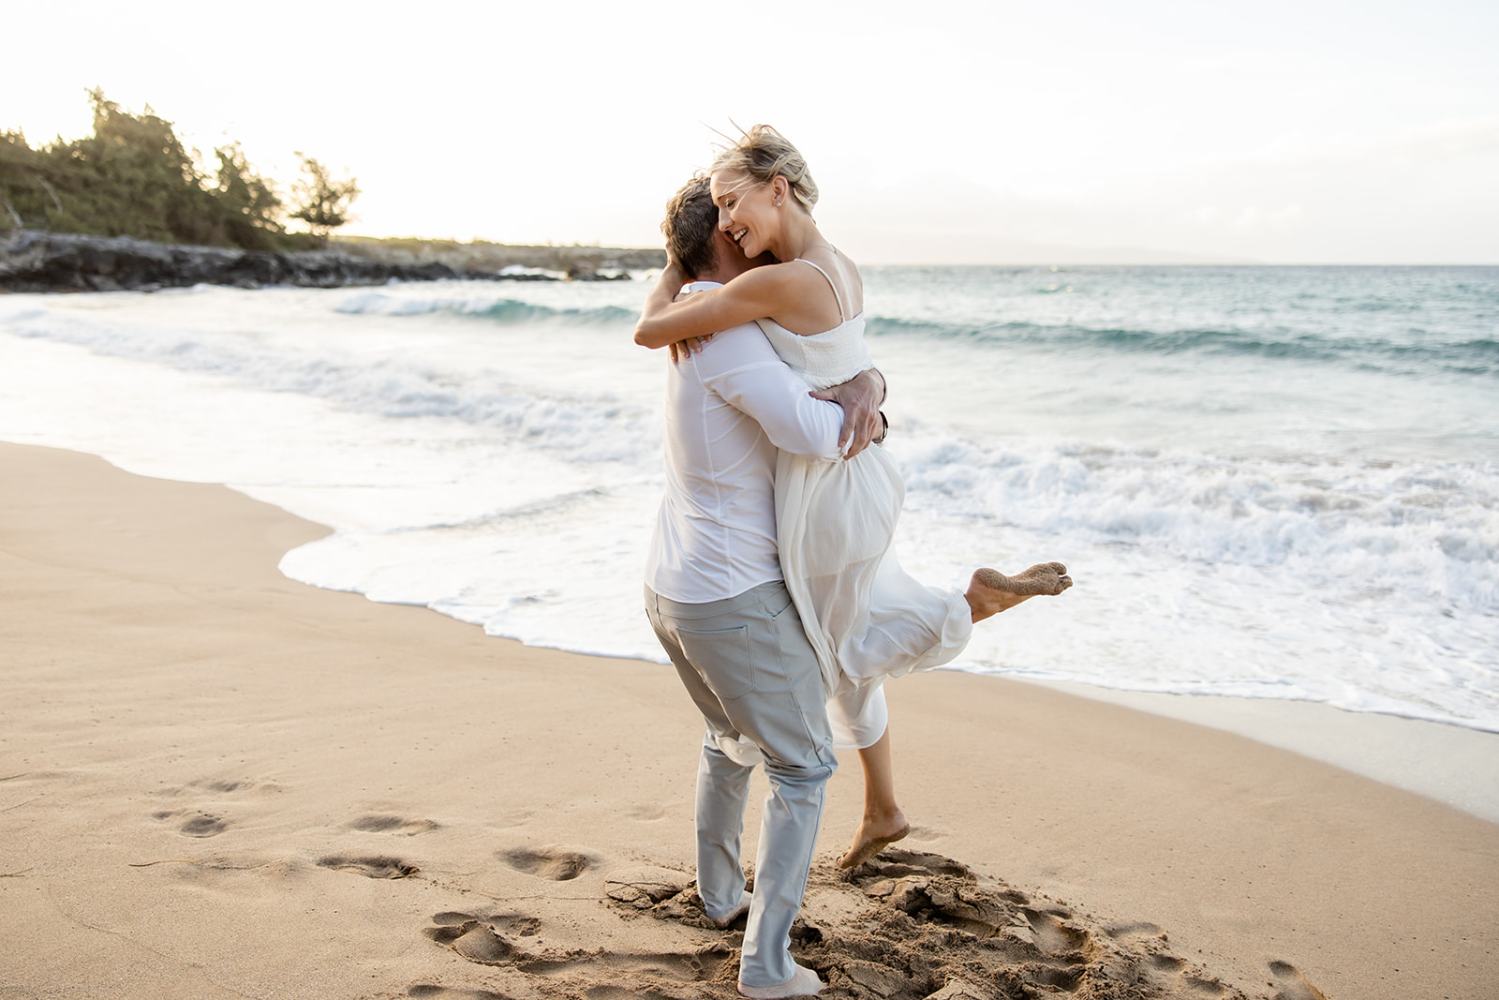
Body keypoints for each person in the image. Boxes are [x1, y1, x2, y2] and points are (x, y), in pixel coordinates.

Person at [636, 126, 1073, 875]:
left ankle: (964, 611)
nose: (731, 221)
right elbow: (853, 364)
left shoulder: (763, 286)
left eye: (733, 201)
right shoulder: (839, 267)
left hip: (824, 490)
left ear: (778, 187)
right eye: (719, 211)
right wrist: (871, 388)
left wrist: (681, 267)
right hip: (862, 483)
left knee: (832, 649)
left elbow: (653, 329)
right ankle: (884, 805)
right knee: (845, 642)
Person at [641, 175, 887, 997]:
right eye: (734, 230)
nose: (748, 240)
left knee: (729, 741)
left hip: (673, 587)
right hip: (729, 598)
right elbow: (816, 432)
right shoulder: (728, 331)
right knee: (806, 767)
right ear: (716, 239)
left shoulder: (691, 323)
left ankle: (719, 897)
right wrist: (868, 397)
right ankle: (765, 964)